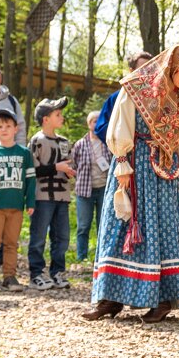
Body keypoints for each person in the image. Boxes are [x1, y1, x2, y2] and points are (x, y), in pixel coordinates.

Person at [85, 45, 179, 323]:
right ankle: (110, 298)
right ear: (171, 67)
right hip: (133, 167)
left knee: (164, 229)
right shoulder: (135, 87)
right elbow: (119, 125)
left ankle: (163, 299)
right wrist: (122, 162)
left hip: (166, 174)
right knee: (120, 225)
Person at [0, 108, 36, 291]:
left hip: (16, 207)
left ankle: (10, 277)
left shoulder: (24, 153)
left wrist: (30, 202)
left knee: (11, 243)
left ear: (15, 129)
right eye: (0, 126)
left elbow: (30, 180)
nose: (4, 130)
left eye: (8, 126)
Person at [28, 97, 75, 291]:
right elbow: (31, 170)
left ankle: (57, 272)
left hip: (62, 196)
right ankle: (36, 274)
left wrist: (70, 171)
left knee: (62, 237)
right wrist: (56, 167)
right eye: (58, 114)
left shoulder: (64, 142)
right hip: (42, 197)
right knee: (38, 236)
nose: (62, 117)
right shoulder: (37, 141)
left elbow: (69, 164)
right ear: (45, 119)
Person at [71, 111, 111, 264]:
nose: (96, 124)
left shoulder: (107, 142)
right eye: (93, 121)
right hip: (84, 191)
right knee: (83, 226)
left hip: (104, 190)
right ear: (88, 124)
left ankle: (102, 257)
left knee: (103, 224)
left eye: (98, 121)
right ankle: (82, 257)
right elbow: (73, 166)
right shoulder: (80, 144)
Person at [93, 51, 153, 144]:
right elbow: (100, 128)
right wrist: (122, 136)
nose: (146, 73)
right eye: (142, 69)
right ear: (131, 71)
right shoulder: (117, 98)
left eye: (150, 70)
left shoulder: (159, 97)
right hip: (126, 150)